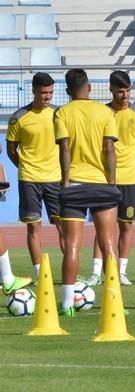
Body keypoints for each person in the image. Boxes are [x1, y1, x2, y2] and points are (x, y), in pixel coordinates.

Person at [54, 68, 121, 316]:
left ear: (67, 90)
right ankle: (115, 303)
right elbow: (109, 149)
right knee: (108, 244)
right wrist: (112, 182)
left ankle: (67, 304)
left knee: (72, 245)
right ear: (90, 88)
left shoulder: (62, 112)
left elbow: (65, 149)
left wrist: (65, 181)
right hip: (102, 185)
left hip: (75, 186)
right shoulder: (105, 112)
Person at [86, 71, 135, 286]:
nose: (125, 95)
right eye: (120, 91)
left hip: (131, 179)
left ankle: (121, 271)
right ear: (111, 89)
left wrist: (127, 158)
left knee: (126, 225)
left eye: (127, 90)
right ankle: (96, 272)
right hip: (105, 179)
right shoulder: (102, 114)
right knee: (102, 226)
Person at [6, 72, 66, 282]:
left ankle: (69, 271)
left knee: (63, 225)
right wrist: (26, 167)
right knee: (34, 226)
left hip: (55, 179)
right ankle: (40, 273)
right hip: (29, 179)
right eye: (43, 93)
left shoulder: (60, 114)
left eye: (50, 92)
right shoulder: (19, 118)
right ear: (33, 90)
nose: (47, 97)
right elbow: (11, 150)